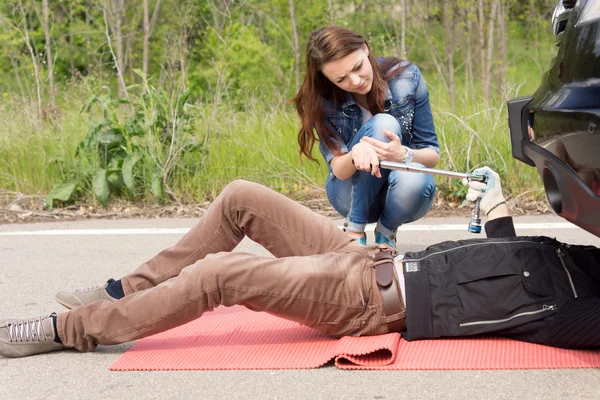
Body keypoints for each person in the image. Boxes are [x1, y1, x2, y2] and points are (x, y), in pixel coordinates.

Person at [2, 167, 600, 359]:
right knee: (240, 196)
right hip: (371, 256)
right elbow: (510, 251)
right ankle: (123, 292)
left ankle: (68, 331)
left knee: (218, 277)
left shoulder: (577, 313)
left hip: (370, 301)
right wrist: (493, 199)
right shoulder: (574, 253)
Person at [292, 26, 441, 248]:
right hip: (348, 194)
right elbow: (339, 170)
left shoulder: (407, 78)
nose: (355, 81)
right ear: (327, 78)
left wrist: (403, 154)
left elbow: (432, 155)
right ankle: (355, 229)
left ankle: (386, 230)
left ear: (365, 48)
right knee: (384, 123)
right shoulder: (321, 99)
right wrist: (355, 153)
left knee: (414, 179)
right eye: (341, 79)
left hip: (402, 195)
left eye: (358, 67)